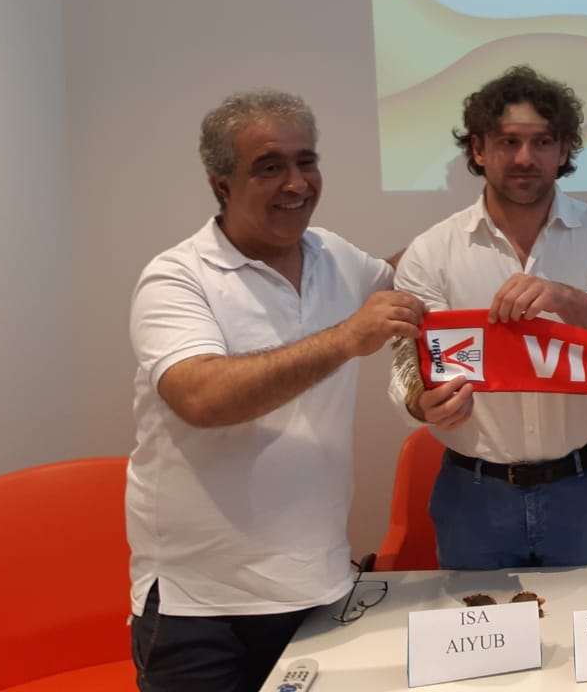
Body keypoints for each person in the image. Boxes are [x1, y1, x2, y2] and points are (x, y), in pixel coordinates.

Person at [127, 90, 424, 691]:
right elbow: (202, 399)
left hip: (320, 588)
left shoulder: (335, 257)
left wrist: (481, 225)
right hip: (201, 609)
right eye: (269, 167)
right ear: (221, 184)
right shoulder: (176, 277)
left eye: (305, 161)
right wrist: (345, 338)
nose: (296, 183)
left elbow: (413, 280)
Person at [389, 65, 587, 569]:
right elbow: (407, 365)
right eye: (508, 141)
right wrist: (421, 404)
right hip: (471, 496)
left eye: (542, 142)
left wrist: (563, 297)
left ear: (564, 149)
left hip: (581, 489)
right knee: (477, 623)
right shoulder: (431, 251)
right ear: (478, 149)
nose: (524, 158)